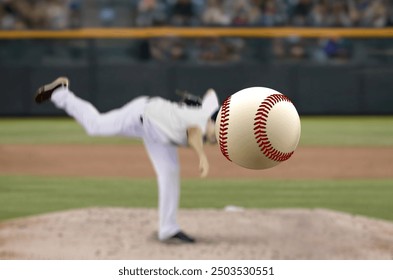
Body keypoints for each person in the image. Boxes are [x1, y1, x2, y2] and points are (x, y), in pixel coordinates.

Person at [34, 77, 220, 244]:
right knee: (95, 126)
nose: (217, 138)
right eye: (217, 133)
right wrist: (202, 156)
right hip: (141, 115)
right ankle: (60, 93)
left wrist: (203, 102)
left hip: (159, 132)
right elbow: (194, 133)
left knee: (169, 171)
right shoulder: (202, 125)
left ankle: (168, 229)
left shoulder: (211, 112)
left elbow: (211, 94)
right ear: (210, 122)